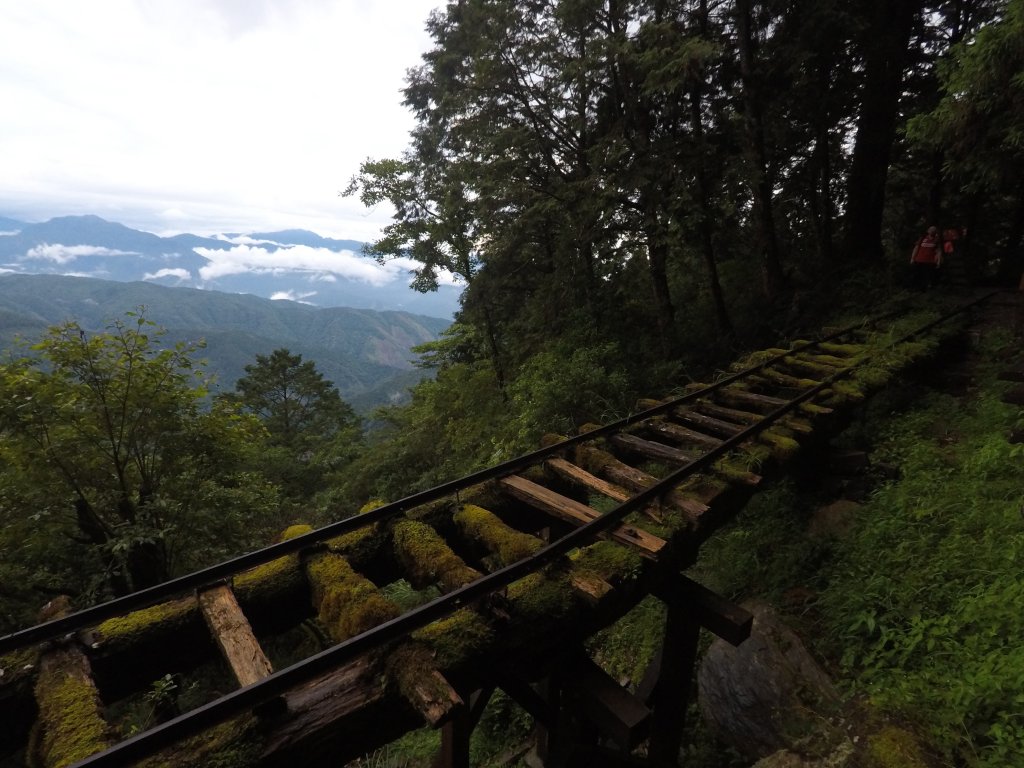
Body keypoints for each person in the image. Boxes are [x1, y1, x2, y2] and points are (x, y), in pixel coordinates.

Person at [910, 225, 942, 290]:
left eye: (934, 230)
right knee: (917, 275)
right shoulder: (922, 238)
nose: (932, 231)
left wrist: (938, 261)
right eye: (931, 230)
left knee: (927, 276)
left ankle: (924, 290)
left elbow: (939, 251)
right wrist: (912, 258)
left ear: (936, 232)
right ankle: (915, 289)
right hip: (919, 260)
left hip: (929, 262)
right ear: (928, 231)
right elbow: (916, 248)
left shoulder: (936, 240)